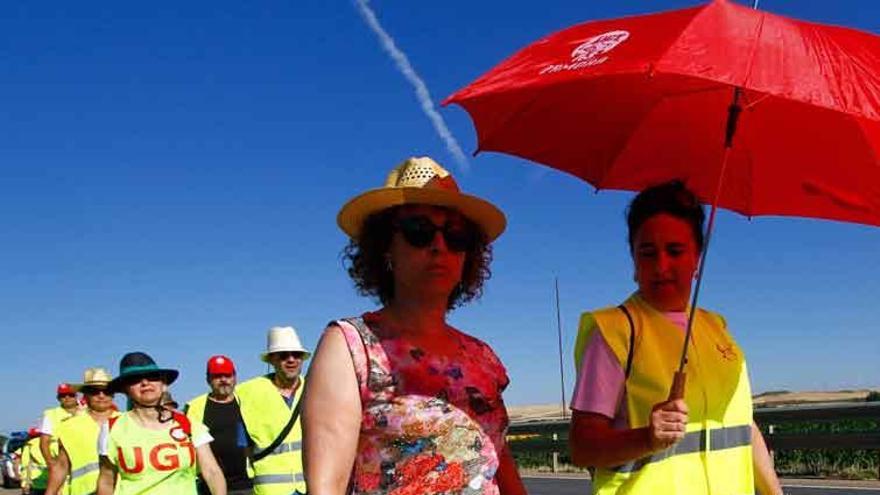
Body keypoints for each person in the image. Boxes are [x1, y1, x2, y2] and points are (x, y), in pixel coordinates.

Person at [304, 156, 526, 495]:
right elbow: (326, 488)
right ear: (385, 249)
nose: (439, 246)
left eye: (455, 236)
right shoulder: (350, 346)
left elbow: (500, 463)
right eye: (419, 231)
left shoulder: (482, 357)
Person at [568, 181, 783, 495]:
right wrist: (647, 438)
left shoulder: (716, 329)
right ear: (633, 261)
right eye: (648, 252)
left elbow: (743, 430)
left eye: (675, 251)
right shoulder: (615, 331)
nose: (661, 266)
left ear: (697, 259)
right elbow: (582, 446)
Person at [95, 352, 227, 495]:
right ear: (126, 390)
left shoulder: (188, 424)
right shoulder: (112, 428)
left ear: (164, 384)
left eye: (152, 377)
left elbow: (212, 472)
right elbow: (106, 481)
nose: (145, 383)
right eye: (135, 380)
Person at [236, 327, 309, 495]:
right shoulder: (247, 394)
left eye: (296, 355)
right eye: (283, 355)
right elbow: (243, 448)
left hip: (311, 486)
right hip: (270, 490)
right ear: (271, 360)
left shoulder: (315, 388)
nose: (291, 360)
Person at [185, 356, 253, 495]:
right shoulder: (194, 407)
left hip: (245, 486)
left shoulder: (247, 402)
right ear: (208, 379)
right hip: (208, 487)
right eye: (217, 376)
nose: (223, 380)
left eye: (227, 375)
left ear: (235, 377)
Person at [46, 368, 119, 495]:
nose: (101, 395)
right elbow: (61, 466)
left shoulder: (126, 422)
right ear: (86, 394)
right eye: (95, 391)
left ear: (113, 394)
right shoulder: (68, 426)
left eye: (107, 391)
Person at [40, 383, 82, 469]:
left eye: (71, 395)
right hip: (62, 463)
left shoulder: (87, 410)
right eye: (63, 395)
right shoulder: (51, 414)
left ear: (76, 396)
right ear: (58, 398)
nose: (67, 398)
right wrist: (50, 462)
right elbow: (44, 442)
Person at [21, 428, 48, 495]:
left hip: (34, 483)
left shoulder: (29, 446)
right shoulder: (50, 444)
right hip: (50, 481)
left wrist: (24, 483)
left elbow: (25, 465)